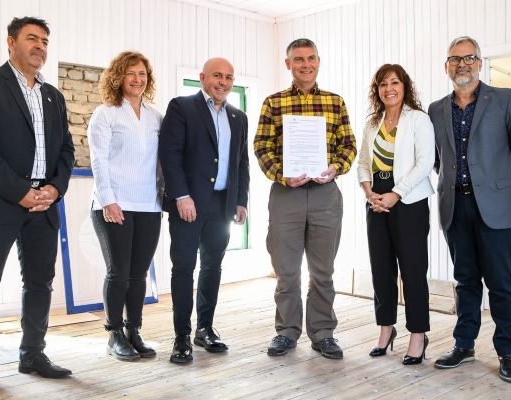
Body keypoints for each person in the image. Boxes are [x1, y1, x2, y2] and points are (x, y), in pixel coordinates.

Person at [0, 16, 74, 398]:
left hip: (44, 205)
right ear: (11, 43)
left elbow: (66, 151)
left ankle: (33, 354)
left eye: (44, 40)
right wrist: (20, 192)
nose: (39, 46)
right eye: (31, 38)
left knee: (40, 283)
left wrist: (55, 190)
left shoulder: (53, 96)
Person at [429, 36, 511, 382]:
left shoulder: (505, 99)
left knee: (501, 283)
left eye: (469, 58)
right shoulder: (436, 109)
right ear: (447, 66)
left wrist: (502, 190)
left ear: (479, 62)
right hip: (455, 206)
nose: (463, 64)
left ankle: (508, 352)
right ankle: (464, 345)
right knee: (465, 281)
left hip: (496, 208)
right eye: (455, 59)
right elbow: (437, 160)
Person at [255, 38, 357, 360]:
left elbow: (349, 145)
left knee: (323, 271)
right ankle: (286, 332)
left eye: (311, 58)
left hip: (326, 194)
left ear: (318, 61)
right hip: (286, 194)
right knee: (286, 272)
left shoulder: (335, 102)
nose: (305, 64)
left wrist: (335, 168)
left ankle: (323, 333)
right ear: (288, 64)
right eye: (298, 59)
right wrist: (280, 175)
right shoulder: (273, 102)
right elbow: (261, 146)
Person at [159, 57, 250, 364]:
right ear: (202, 78)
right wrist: (181, 195)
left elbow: (242, 163)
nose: (223, 81)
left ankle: (205, 329)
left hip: (222, 205)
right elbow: (169, 156)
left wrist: (241, 200)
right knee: (183, 268)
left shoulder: (238, 117)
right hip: (189, 203)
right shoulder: (182, 107)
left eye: (228, 76)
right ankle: (181, 337)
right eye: (217, 75)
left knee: (213, 267)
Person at [357, 64, 435, 365]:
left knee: (413, 271)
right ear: (377, 90)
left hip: (409, 201)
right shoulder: (372, 123)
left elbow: (425, 162)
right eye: (383, 84)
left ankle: (418, 335)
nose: (389, 88)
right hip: (376, 201)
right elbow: (363, 162)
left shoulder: (418, 119)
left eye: (395, 82)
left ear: (404, 86)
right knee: (381, 269)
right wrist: (369, 192)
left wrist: (396, 193)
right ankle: (386, 330)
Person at [88, 51, 162, 362]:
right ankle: (114, 334)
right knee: (118, 272)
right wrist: (108, 200)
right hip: (113, 204)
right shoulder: (105, 114)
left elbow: (160, 161)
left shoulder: (156, 116)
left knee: (139, 273)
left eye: (142, 74)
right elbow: (98, 160)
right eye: (131, 73)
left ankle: (134, 330)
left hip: (149, 204)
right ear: (118, 77)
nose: (137, 79)